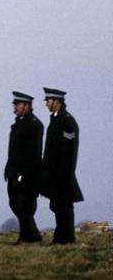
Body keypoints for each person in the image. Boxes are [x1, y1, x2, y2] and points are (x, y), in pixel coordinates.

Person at [39, 87, 83, 244]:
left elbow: (69, 151)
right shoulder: (56, 119)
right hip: (53, 174)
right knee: (58, 206)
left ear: (56, 101)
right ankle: (61, 237)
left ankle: (66, 238)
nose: (46, 103)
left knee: (64, 207)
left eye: (48, 100)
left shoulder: (66, 121)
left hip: (62, 175)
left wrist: (63, 174)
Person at [4, 91, 43, 243]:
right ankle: (30, 235)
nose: (15, 108)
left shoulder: (33, 125)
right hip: (15, 172)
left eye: (17, 105)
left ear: (26, 105)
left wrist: (22, 175)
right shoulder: (19, 124)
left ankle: (29, 236)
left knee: (24, 205)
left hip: (27, 174)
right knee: (16, 204)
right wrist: (9, 171)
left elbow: (32, 153)